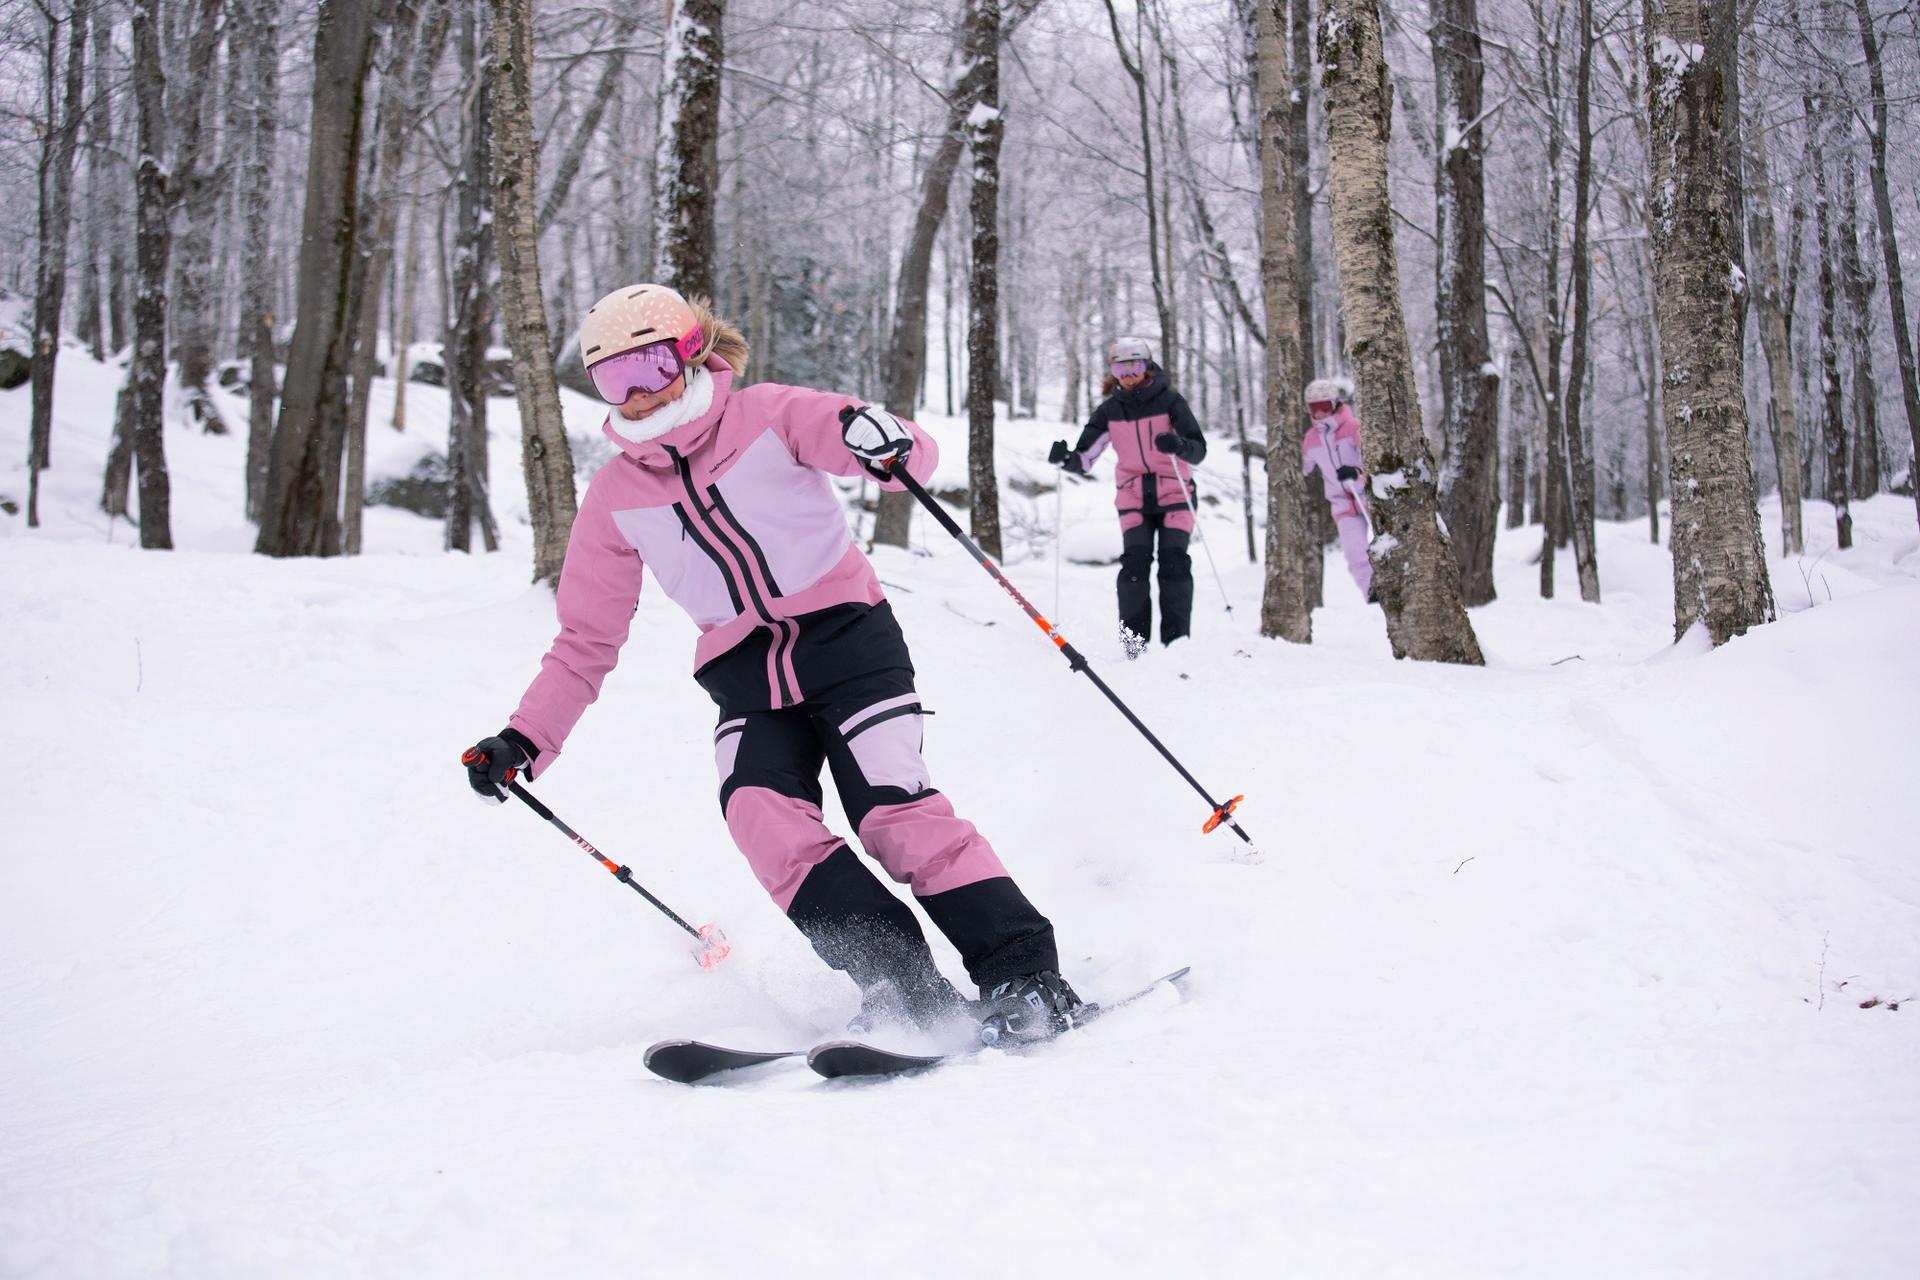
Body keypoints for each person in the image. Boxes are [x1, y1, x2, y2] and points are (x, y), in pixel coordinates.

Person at [462, 283, 1082, 1042]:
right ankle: (903, 987)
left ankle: (1024, 972)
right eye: (613, 379)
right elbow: (586, 638)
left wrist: (884, 440)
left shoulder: (769, 415)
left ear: (690, 353)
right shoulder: (615, 497)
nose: (637, 394)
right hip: (748, 682)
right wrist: (524, 739)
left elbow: (903, 455)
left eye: (651, 366)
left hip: (850, 645)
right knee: (762, 818)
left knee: (893, 811)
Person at [1048, 336, 1207, 652]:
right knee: (1134, 567)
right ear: (1113, 372)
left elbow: (1198, 449)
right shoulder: (1110, 411)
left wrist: (1178, 446)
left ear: (1147, 367)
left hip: (1175, 494)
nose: (1129, 375)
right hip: (1133, 497)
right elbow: (1085, 459)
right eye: (1121, 369)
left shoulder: (1171, 402)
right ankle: (1134, 647)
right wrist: (1065, 459)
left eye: (1134, 366)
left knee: (1174, 563)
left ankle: (1177, 644)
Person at [1301, 377, 1374, 602]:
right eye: (1314, 408)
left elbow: (1373, 459)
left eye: (1324, 406)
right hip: (1341, 503)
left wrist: (1357, 471)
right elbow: (1302, 467)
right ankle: (1373, 591)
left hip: (1369, 496)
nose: (1320, 413)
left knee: (1387, 544)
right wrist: (1277, 467)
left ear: (1335, 404)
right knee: (1355, 553)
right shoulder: (1311, 439)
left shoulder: (1353, 427)